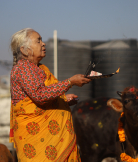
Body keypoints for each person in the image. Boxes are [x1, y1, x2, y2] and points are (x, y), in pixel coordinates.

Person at [9, 28, 91, 162]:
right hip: (36, 139)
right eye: (38, 41)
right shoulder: (23, 68)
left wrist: (62, 100)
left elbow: (42, 95)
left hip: (52, 139)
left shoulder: (39, 69)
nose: (43, 44)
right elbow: (40, 95)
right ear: (24, 50)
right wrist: (70, 82)